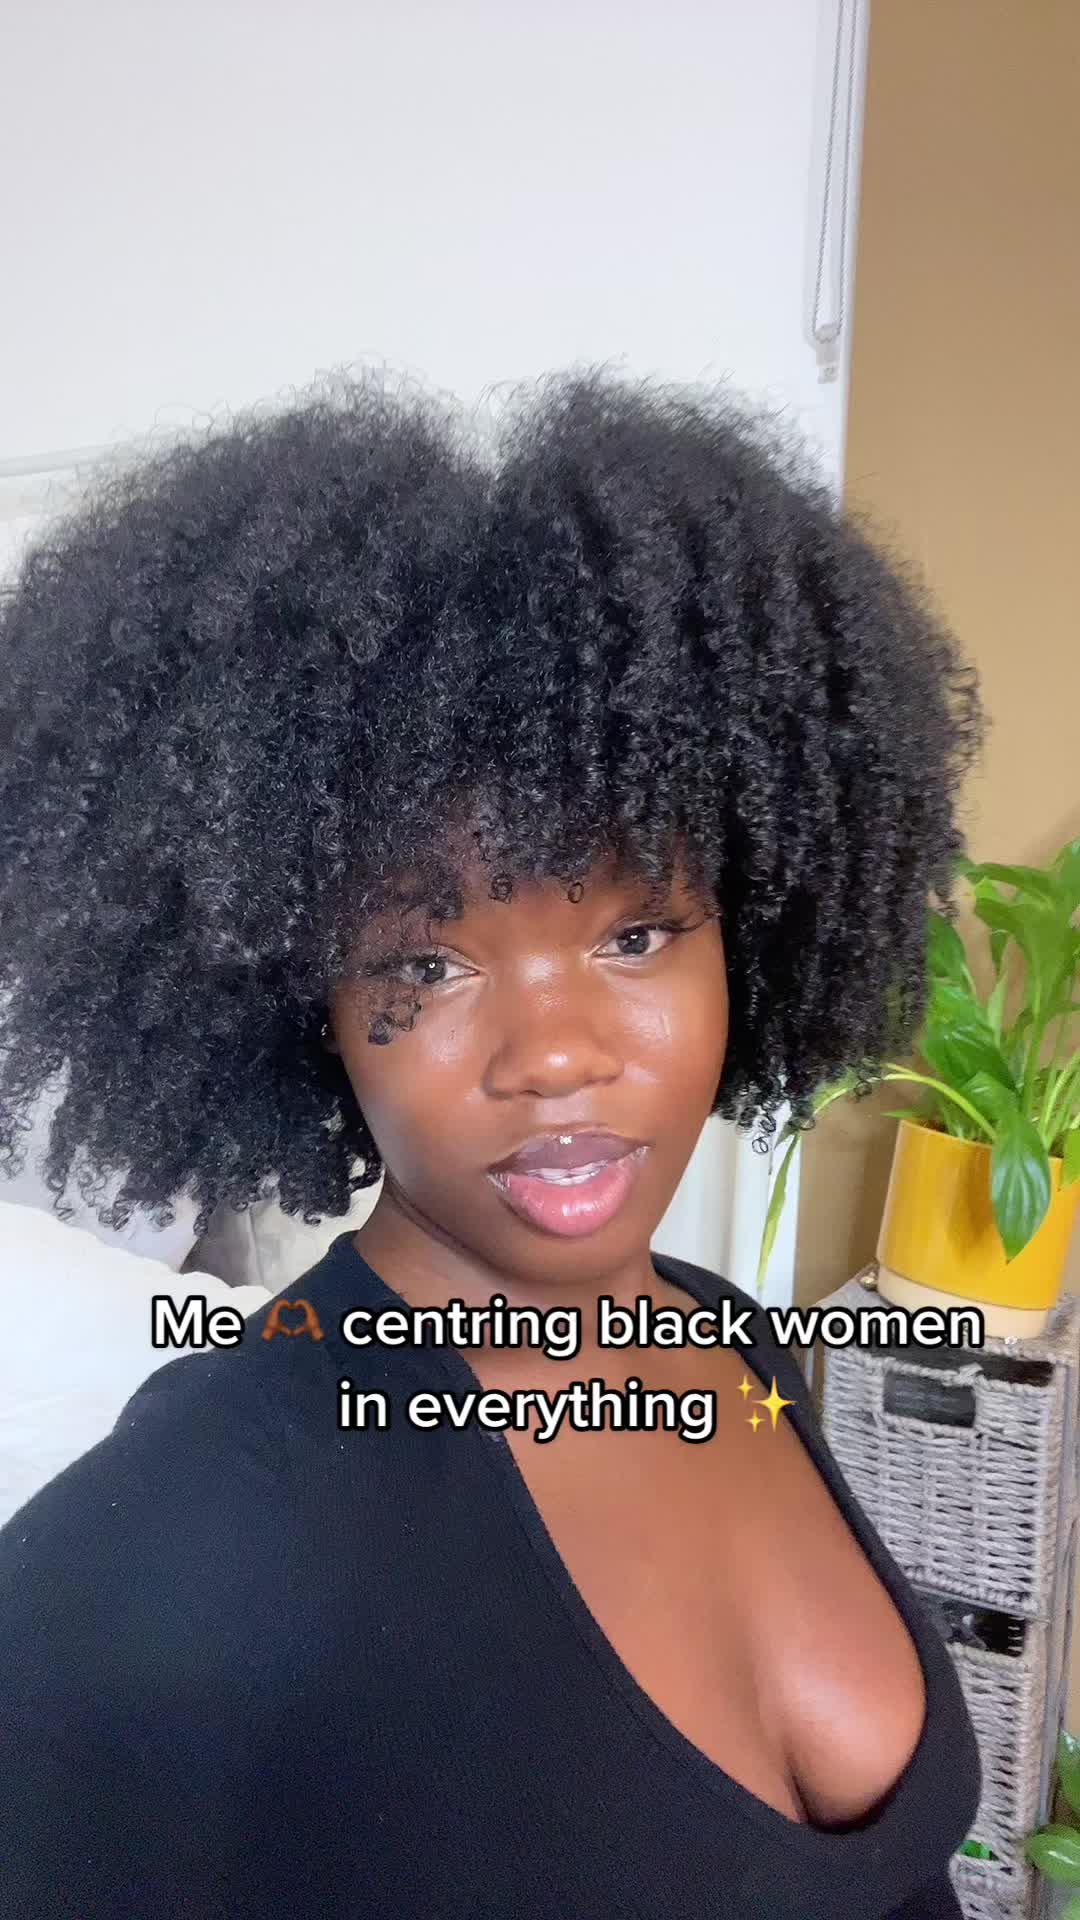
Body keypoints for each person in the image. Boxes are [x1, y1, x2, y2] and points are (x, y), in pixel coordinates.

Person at [0, 368, 985, 1917]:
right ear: (304, 1004)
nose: (557, 1055)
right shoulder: (198, 1524)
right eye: (429, 963)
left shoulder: (730, 1346)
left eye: (639, 932)